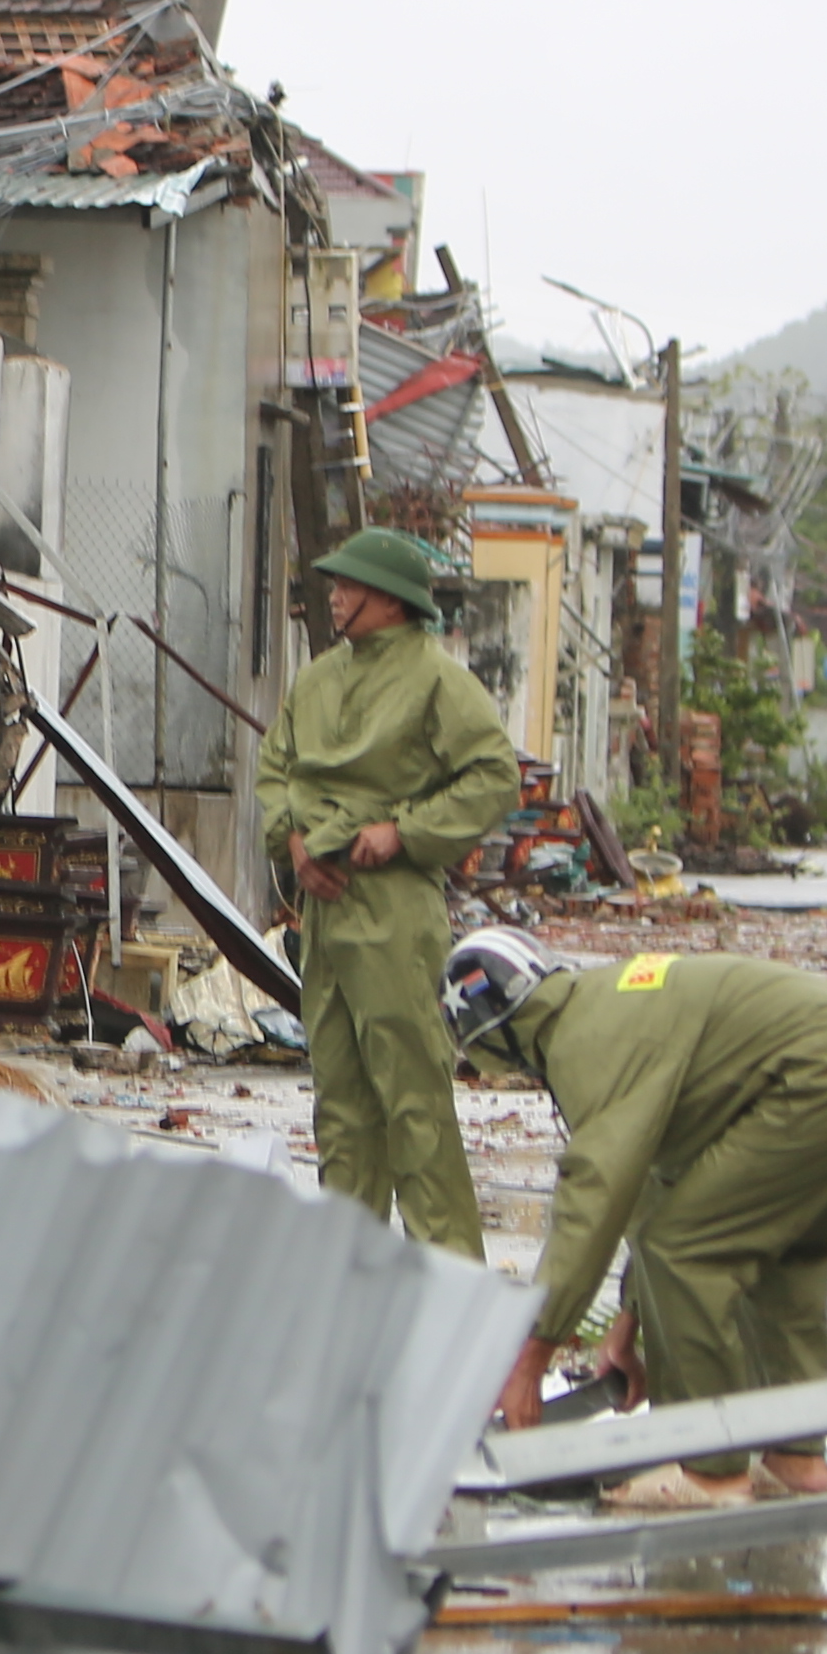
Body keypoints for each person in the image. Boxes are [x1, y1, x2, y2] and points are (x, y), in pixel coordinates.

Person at [451, 933, 827, 1511]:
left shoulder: (583, 1044)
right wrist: (630, 1322)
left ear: (492, 1037)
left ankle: (708, 1470)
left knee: (683, 1251)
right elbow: (652, 1189)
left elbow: (595, 1197)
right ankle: (796, 1458)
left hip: (821, 1081)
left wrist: (531, 1354)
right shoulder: (605, 1003)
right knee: (786, 1262)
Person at [251, 528, 521, 1252]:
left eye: (349, 585)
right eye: (336, 584)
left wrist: (405, 831)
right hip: (324, 904)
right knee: (340, 1105)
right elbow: (274, 768)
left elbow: (495, 775)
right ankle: (349, 1277)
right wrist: (292, 842)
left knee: (414, 1100)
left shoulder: (438, 680)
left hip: (395, 906)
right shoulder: (318, 678)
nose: (335, 597)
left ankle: (449, 1277)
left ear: (392, 600)